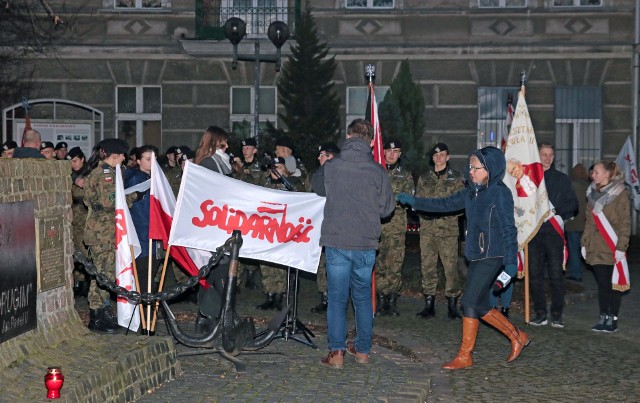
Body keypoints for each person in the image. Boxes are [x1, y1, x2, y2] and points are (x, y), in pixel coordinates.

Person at [396, 146, 530, 370]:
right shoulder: (471, 191)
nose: (471, 171)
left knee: (469, 302)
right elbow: (444, 204)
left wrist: (510, 261)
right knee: (478, 303)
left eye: (476, 168)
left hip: (494, 254)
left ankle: (465, 355)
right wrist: (414, 201)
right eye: (470, 167)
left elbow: (509, 228)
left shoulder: (499, 192)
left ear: (490, 169)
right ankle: (517, 336)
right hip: (476, 253)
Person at [313, 118, 395, 369]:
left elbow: (316, 190)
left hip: (337, 240)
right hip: (365, 243)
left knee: (337, 298)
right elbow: (386, 210)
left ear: (348, 137)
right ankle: (362, 351)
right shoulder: (378, 171)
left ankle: (337, 352)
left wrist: (324, 167)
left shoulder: (332, 166)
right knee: (361, 298)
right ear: (370, 142)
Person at [81, 138, 139, 333]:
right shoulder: (106, 174)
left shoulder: (100, 172)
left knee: (103, 275)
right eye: (122, 154)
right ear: (115, 155)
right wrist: (133, 197)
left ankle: (101, 313)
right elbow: (109, 201)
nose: (124, 158)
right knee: (103, 275)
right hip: (103, 232)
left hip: (100, 230)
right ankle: (96, 318)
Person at [528, 142, 578, 328]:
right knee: (535, 276)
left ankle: (557, 315)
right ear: (537, 155)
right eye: (544, 154)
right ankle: (540, 313)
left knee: (557, 276)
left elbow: (573, 204)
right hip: (534, 234)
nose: (547, 158)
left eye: (550, 155)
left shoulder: (562, 179)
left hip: (554, 234)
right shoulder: (529, 179)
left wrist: (556, 211)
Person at [414, 143, 465, 319]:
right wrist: (425, 213)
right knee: (427, 267)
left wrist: (444, 212)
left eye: (442, 155)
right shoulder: (424, 179)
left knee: (450, 268)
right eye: (436, 155)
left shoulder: (457, 179)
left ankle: (452, 304)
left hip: (448, 230)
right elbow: (418, 202)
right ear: (432, 158)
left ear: (448, 157)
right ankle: (429, 304)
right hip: (428, 230)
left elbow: (461, 205)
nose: (439, 158)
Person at [581, 161, 630, 333]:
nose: (592, 175)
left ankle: (613, 318)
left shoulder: (620, 194)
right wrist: (584, 243)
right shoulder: (592, 193)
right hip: (596, 247)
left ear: (607, 175)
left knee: (613, 284)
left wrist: (621, 247)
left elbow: (625, 223)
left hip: (612, 245)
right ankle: (603, 316)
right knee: (602, 284)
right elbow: (589, 222)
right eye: (593, 172)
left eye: (596, 172)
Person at [193, 126, 233, 333]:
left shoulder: (219, 163)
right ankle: (207, 316)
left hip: (221, 224)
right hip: (212, 225)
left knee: (220, 272)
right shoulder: (210, 163)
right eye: (223, 142)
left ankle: (215, 314)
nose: (227, 147)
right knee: (214, 272)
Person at [257, 157, 306, 310]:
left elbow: (302, 198)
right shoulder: (264, 183)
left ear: (285, 168)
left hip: (284, 228)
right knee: (265, 263)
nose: (275, 170)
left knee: (279, 263)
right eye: (273, 167)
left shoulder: (292, 183)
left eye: (278, 167)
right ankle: (269, 294)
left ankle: (279, 295)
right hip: (266, 227)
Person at [375, 139, 414, 316]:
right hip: (375, 225)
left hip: (395, 226)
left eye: (396, 151)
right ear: (382, 152)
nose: (392, 154)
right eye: (389, 151)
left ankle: (391, 299)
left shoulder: (405, 175)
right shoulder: (374, 172)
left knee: (395, 263)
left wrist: (388, 199)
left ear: (400, 154)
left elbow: (407, 198)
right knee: (378, 262)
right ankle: (380, 298)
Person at [125, 145, 160, 335]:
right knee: (144, 282)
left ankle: (149, 321)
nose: (151, 162)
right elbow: (140, 213)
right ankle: (144, 323)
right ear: (138, 160)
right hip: (142, 238)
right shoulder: (135, 180)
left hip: (153, 239)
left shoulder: (154, 178)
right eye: (147, 158)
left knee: (150, 281)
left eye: (153, 158)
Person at [309, 142, 340, 314]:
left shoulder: (339, 174)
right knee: (321, 263)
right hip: (320, 225)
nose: (319, 159)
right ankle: (325, 296)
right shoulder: (320, 174)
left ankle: (336, 298)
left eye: (323, 155)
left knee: (336, 263)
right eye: (320, 156)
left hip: (337, 226)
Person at [68, 147, 90, 297]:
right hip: (73, 216)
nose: (73, 164)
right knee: (74, 249)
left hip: (83, 216)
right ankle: (80, 281)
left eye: (75, 161)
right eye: (70, 161)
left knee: (84, 249)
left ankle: (88, 281)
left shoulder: (88, 173)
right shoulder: (71, 174)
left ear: (82, 159)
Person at [565, 163, 590, 281]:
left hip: (573, 223)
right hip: (586, 223)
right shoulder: (589, 186)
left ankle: (576, 273)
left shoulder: (570, 185)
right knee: (585, 248)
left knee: (573, 249)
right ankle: (584, 268)